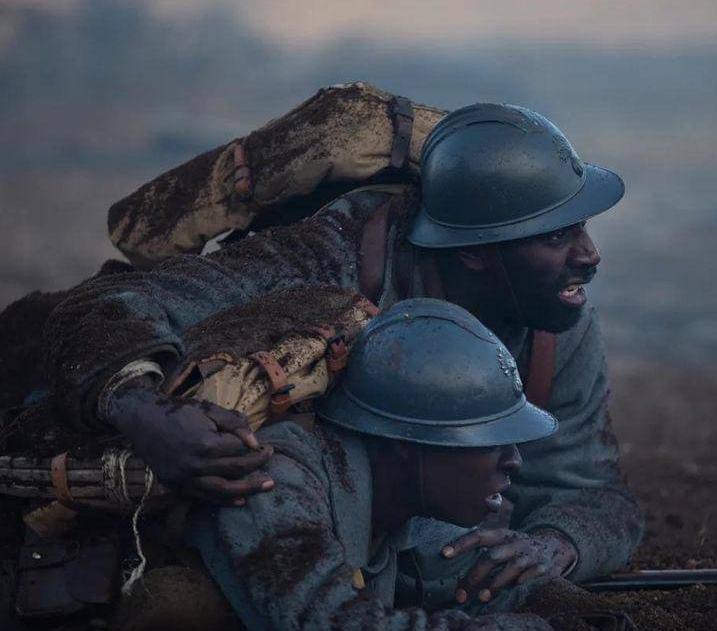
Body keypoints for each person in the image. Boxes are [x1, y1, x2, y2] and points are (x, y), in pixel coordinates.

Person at [45, 101, 644, 603]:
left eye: (581, 226)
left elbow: (592, 491)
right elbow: (105, 305)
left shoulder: (554, 324)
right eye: (557, 235)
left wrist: (556, 545)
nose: (589, 256)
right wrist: (148, 413)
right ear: (471, 251)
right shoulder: (326, 261)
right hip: (275, 533)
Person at [186, 299, 558, 629]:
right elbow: (330, 620)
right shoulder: (273, 483)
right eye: (490, 442)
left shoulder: (406, 499)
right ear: (405, 443)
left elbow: (482, 582)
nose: (514, 461)